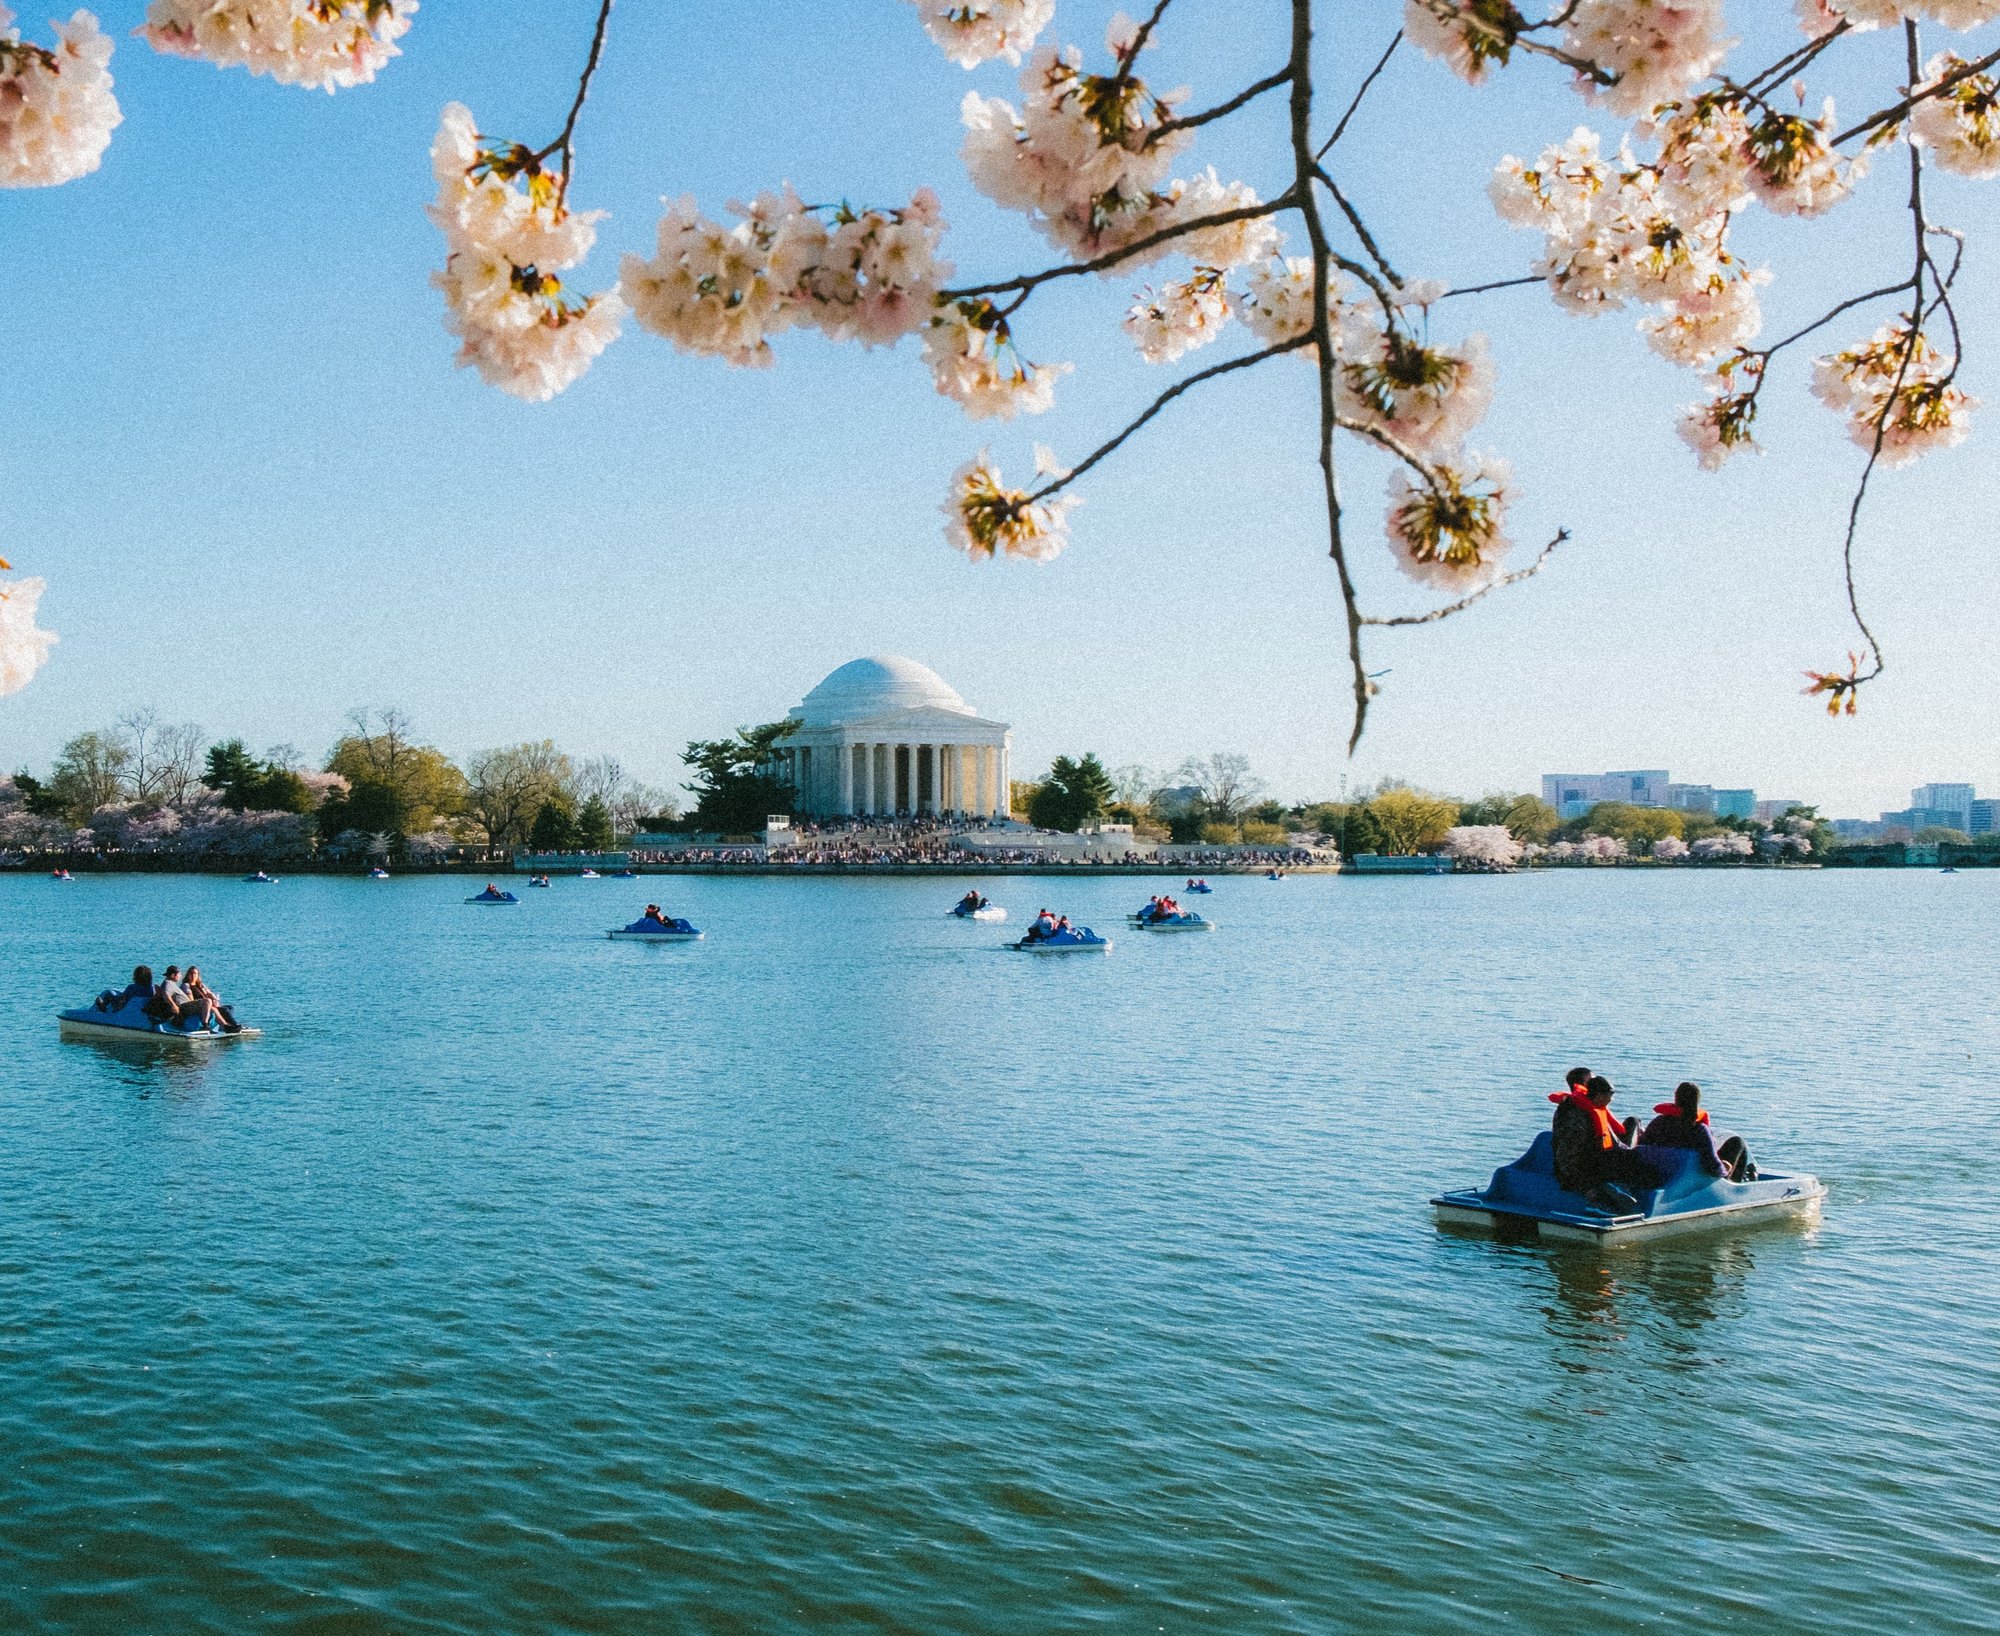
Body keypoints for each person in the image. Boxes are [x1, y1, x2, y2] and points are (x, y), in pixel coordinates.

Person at [1550, 1072, 1664, 1210]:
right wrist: (1584, 1185)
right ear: (1599, 1096)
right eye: (1609, 1097)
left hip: (1597, 1158)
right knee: (1639, 1170)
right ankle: (1609, 1195)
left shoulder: (1591, 1108)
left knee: (1643, 1167)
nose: (1610, 1101)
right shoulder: (1577, 1117)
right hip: (1586, 1166)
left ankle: (1617, 1188)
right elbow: (1566, 1156)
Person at [1641, 1082, 1756, 1181]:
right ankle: (1735, 1185)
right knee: (1737, 1143)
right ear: (1696, 1101)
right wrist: (1725, 1169)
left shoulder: (1658, 1122)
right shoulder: (1698, 1129)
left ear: (1676, 1098)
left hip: (1665, 1173)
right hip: (1694, 1177)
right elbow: (1712, 1167)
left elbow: (1642, 1146)